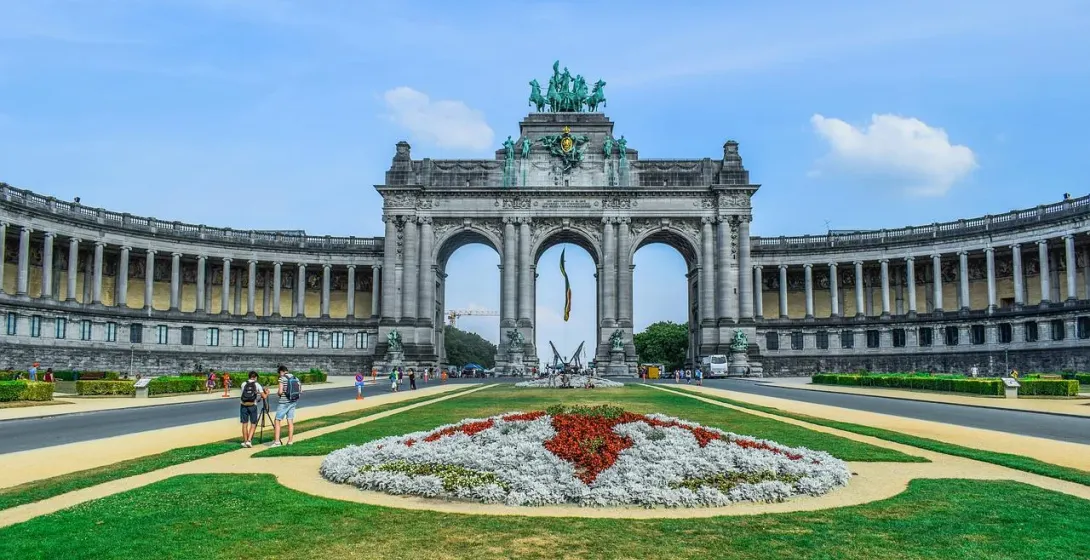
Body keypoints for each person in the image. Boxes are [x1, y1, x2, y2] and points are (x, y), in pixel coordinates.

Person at [271, 365, 301, 447]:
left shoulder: (282, 378)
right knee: (290, 420)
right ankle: (290, 441)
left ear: (281, 371)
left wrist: (278, 393)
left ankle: (277, 441)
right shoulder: (296, 378)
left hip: (284, 402)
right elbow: (300, 390)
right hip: (293, 401)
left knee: (277, 420)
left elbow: (280, 392)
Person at [239, 371, 268, 448]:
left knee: (244, 424)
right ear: (255, 377)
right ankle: (249, 440)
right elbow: (264, 396)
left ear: (249, 376)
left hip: (243, 405)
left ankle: (245, 441)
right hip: (253, 405)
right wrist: (267, 393)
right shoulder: (257, 384)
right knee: (253, 423)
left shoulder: (243, 384)